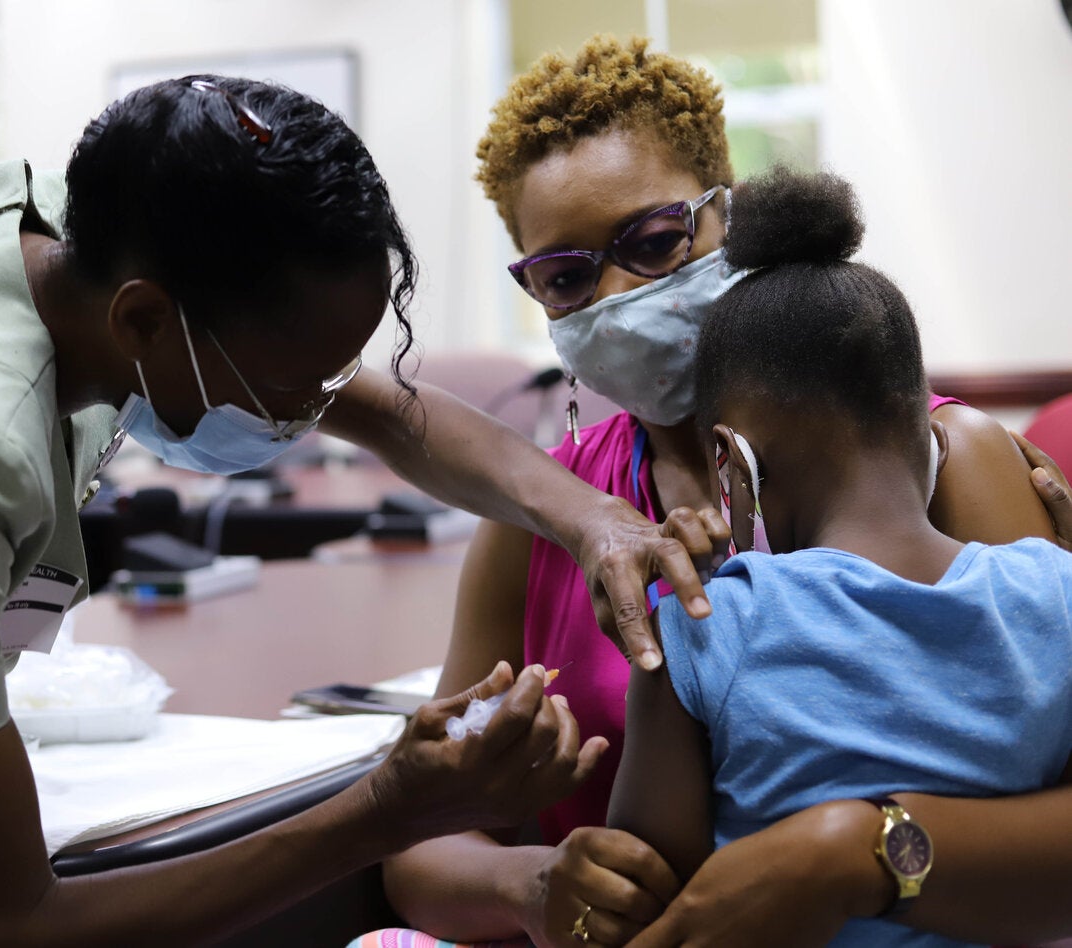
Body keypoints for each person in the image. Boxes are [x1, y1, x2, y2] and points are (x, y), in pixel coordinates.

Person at [0, 72, 739, 947]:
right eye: (292, 389)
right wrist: (382, 813)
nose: (315, 412)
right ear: (142, 322)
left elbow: (390, 415)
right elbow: (6, 926)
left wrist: (593, 519)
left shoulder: (111, 232)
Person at [376, 35, 1072, 948]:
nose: (616, 296)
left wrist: (850, 853)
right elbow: (422, 839)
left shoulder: (946, 456)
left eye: (654, 243)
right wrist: (532, 883)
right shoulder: (546, 512)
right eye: (567, 277)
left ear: (728, 218)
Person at [607, 165, 1072, 948]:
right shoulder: (1056, 588)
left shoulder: (702, 627)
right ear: (930, 429)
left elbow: (646, 893)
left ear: (730, 465)